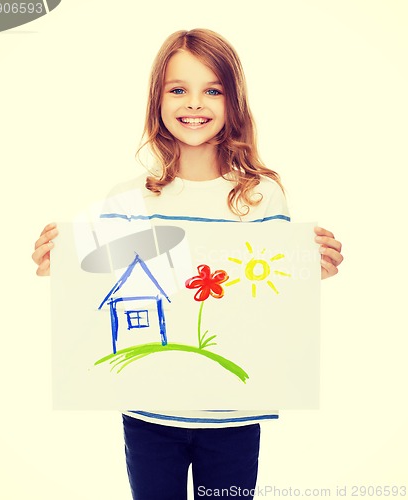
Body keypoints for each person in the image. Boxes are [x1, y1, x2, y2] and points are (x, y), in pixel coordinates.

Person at [32, 29, 343, 500]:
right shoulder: (128, 198)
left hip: (235, 416)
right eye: (178, 89)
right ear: (157, 99)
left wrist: (309, 268)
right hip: (148, 415)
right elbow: (104, 281)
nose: (194, 103)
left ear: (232, 101)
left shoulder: (260, 196)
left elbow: (270, 288)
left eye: (211, 90)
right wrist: (60, 267)